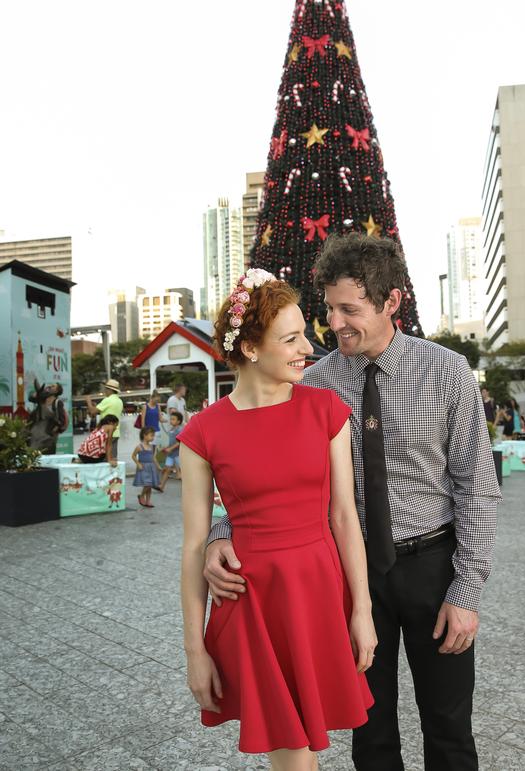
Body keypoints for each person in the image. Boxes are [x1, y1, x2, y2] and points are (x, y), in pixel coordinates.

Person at [205, 236, 502, 771]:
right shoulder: (310, 384)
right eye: (329, 308)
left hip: (433, 568)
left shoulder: (446, 371)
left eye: (350, 309)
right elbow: (270, 483)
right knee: (371, 732)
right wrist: (220, 535)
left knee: (450, 728)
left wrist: (466, 591)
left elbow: (476, 485)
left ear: (391, 303)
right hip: (345, 577)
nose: (334, 323)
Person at [179, 269, 375, 769]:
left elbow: (344, 516)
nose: (307, 348)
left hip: (318, 593)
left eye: (304, 335)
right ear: (249, 348)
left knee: (302, 751)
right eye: (290, 339)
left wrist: (362, 609)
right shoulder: (203, 433)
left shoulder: (326, 410)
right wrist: (195, 651)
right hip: (252, 604)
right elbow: (194, 544)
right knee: (292, 753)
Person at [27, 380, 68, 454]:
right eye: (51, 385)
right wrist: (37, 394)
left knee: (48, 452)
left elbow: (61, 420)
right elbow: (30, 399)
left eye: (53, 386)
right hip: (37, 430)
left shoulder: (57, 402)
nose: (50, 387)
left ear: (57, 391)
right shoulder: (44, 398)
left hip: (49, 433)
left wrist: (52, 432)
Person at [86, 379, 124, 459]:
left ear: (110, 390)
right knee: (112, 457)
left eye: (106, 389)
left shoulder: (107, 400)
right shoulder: (120, 401)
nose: (105, 391)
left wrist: (88, 401)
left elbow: (93, 412)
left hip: (106, 434)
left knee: (104, 459)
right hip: (115, 432)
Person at [132, 425, 161, 508]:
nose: (153, 438)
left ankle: (148, 501)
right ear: (145, 435)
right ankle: (141, 496)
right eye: (151, 435)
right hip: (143, 467)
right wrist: (138, 463)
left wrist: (158, 466)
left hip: (151, 467)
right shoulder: (139, 447)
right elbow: (133, 456)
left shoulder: (152, 447)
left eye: (153, 436)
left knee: (150, 485)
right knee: (147, 484)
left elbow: (153, 458)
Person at [158, 410, 184, 492]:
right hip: (170, 455)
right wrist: (165, 448)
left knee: (183, 472)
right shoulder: (171, 429)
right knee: (167, 469)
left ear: (178, 421)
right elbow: (170, 442)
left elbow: (179, 442)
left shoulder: (180, 430)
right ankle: (161, 486)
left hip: (177, 454)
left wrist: (170, 449)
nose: (171, 421)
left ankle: (189, 489)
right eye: (171, 419)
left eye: (173, 419)